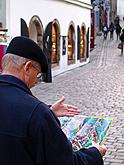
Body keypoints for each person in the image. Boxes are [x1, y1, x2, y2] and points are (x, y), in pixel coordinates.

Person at [0, 36, 107, 165]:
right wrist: (95, 153)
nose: (36, 81)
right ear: (27, 67)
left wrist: (49, 112)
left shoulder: (39, 113)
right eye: (38, 74)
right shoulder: (38, 113)